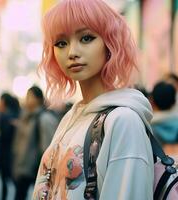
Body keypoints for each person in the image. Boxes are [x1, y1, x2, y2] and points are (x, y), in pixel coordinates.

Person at [32, 0, 154, 199]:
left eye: (86, 38)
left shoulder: (123, 121)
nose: (72, 53)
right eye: (61, 43)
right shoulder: (71, 117)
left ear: (110, 43)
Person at [13, 86, 59, 200]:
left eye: (30, 97)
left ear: (38, 99)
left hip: (36, 168)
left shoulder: (44, 118)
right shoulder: (26, 116)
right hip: (24, 167)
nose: (27, 100)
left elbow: (48, 147)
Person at [0, 93, 21, 200]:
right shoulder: (15, 114)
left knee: (5, 179)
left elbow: (5, 135)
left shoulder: (5, 115)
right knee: (10, 179)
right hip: (12, 152)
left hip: (5, 153)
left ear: (4, 102)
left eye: (0, 101)